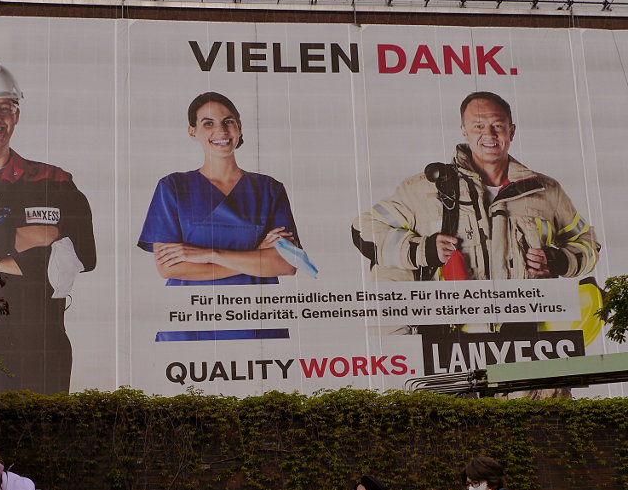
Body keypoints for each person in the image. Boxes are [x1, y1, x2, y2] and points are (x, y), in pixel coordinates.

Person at [352, 91, 599, 283]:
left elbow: (587, 241)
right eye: (478, 126)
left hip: (527, 333)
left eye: (498, 125)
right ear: (464, 132)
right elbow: (362, 230)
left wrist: (558, 261)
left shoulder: (546, 190)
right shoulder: (423, 189)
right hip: (450, 333)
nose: (489, 134)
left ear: (511, 132)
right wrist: (423, 250)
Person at [0, 60, 97, 393]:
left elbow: (85, 257)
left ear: (16, 116)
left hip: (41, 352)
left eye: (4, 108)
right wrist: (36, 239)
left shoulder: (54, 181)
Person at [138, 91, 301, 341]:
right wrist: (255, 257)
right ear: (193, 132)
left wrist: (208, 254)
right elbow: (169, 267)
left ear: (239, 127)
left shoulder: (269, 189)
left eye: (228, 121)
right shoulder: (173, 187)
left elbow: (287, 264)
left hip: (256, 320)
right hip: (190, 321)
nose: (221, 131)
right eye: (208, 123)